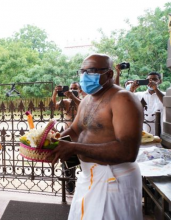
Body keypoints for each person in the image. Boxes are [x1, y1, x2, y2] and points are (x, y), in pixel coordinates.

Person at [49, 54, 143, 219]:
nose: (85, 76)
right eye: (82, 71)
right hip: (88, 177)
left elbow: (127, 151)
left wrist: (74, 148)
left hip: (113, 179)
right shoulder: (87, 100)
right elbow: (75, 130)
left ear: (109, 74)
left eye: (91, 71)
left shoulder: (123, 99)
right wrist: (51, 143)